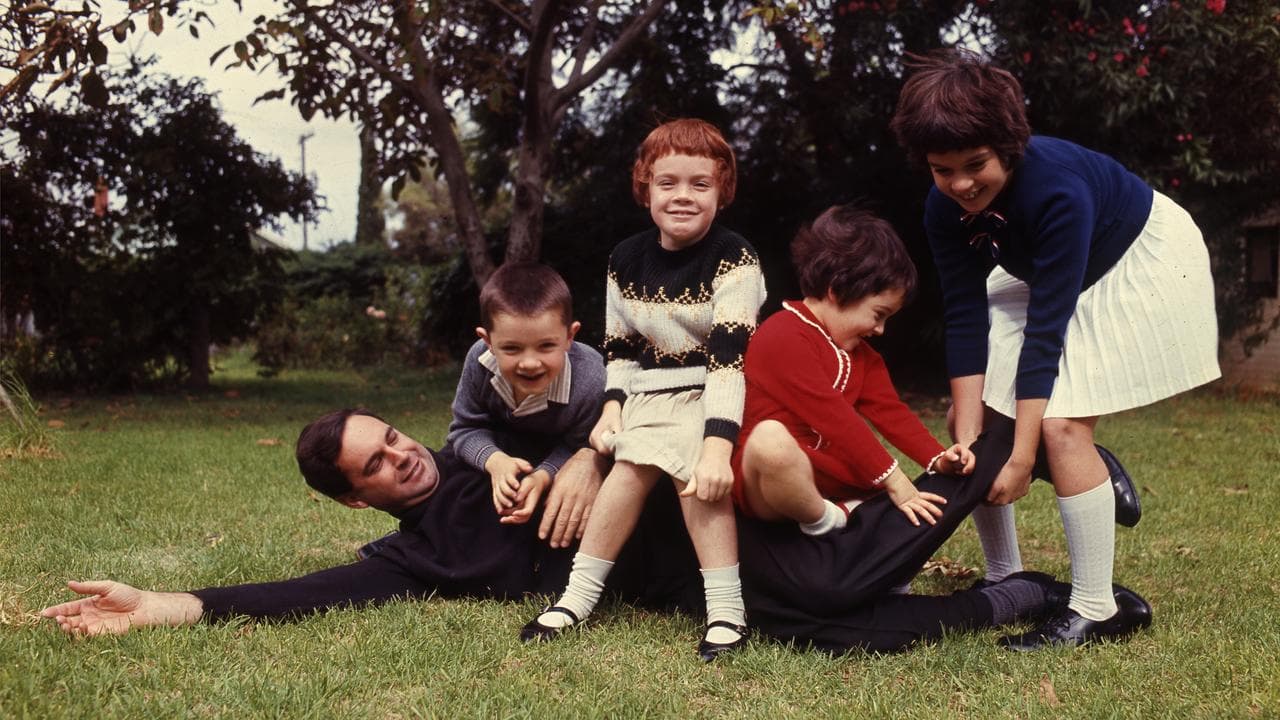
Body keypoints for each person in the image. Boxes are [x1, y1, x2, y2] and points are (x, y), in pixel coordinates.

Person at [890, 48, 1218, 649]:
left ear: (1009, 148)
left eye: (976, 164)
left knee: (1062, 427)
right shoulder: (944, 204)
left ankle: (1098, 608)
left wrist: (1020, 458)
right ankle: (1006, 578)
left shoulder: (1057, 192)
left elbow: (1047, 332)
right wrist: (970, 438)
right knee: (977, 422)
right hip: (1044, 271)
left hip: (1133, 258)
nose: (961, 184)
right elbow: (964, 316)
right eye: (943, 169)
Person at [41, 409, 702, 636]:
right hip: (677, 589)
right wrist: (160, 604)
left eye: (390, 436)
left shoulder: (495, 443)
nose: (402, 454)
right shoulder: (412, 559)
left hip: (701, 516)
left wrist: (588, 455)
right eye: (377, 464)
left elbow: (625, 400)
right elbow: (302, 594)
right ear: (358, 499)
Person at [519, 118, 767, 661]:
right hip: (650, 396)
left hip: (714, 393)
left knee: (690, 473)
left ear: (722, 191)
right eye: (667, 183)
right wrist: (612, 410)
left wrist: (717, 446)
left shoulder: (735, 258)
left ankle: (727, 609)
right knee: (627, 467)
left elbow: (730, 360)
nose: (683, 196)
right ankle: (578, 596)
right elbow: (622, 349)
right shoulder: (625, 259)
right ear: (645, 189)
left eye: (700, 184)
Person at [731, 205, 975, 538]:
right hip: (768, 484)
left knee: (896, 507)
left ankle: (852, 515)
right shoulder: (782, 334)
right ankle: (825, 520)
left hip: (827, 477)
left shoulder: (863, 357)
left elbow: (892, 413)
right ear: (837, 289)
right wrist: (895, 479)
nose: (880, 330)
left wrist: (938, 457)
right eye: (878, 314)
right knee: (770, 440)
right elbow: (832, 416)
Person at [448, 262, 606, 539]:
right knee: (451, 474)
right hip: (501, 453)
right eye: (511, 348)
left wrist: (543, 475)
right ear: (487, 342)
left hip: (556, 459)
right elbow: (464, 429)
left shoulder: (591, 378)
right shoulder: (479, 361)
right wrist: (494, 461)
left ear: (570, 336)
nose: (530, 363)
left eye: (546, 346)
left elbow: (579, 447)